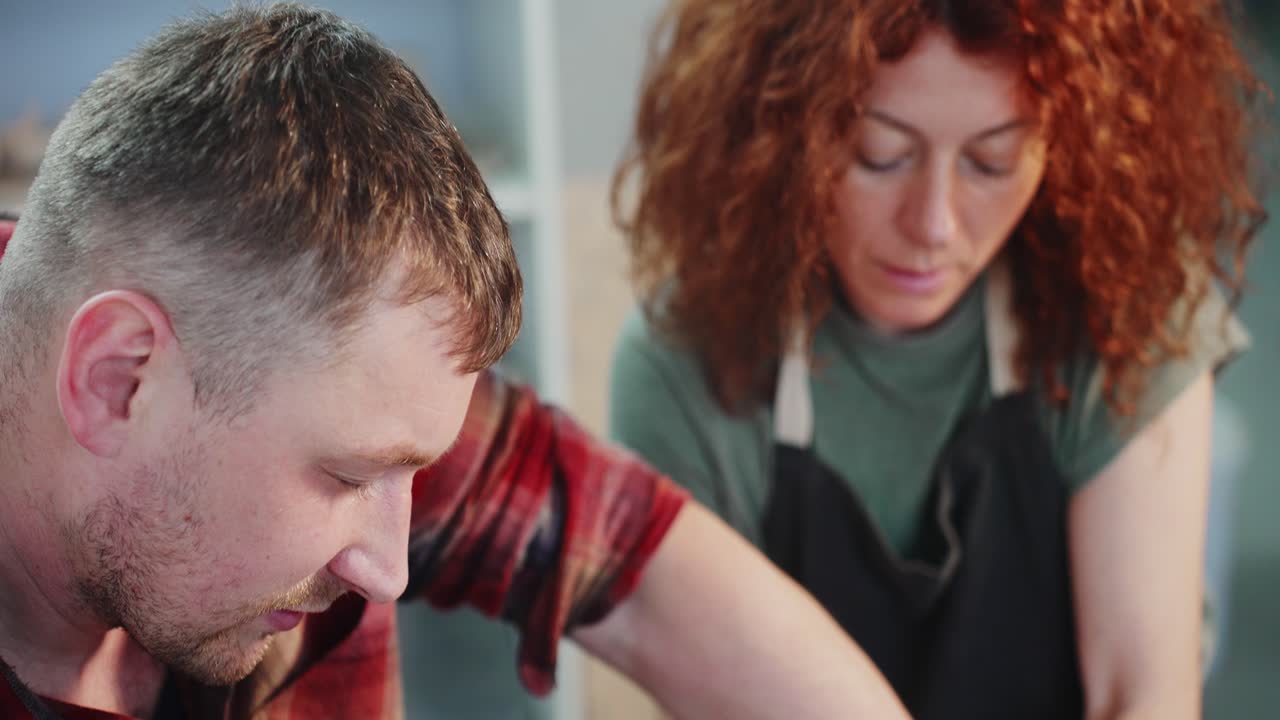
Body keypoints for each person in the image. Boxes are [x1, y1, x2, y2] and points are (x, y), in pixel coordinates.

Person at [0, 6, 910, 720]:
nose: (389, 572)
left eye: (409, 474)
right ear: (117, 380)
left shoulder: (309, 376)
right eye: (349, 477)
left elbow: (631, 558)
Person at [609, 1, 1269, 718]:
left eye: (994, 161)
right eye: (878, 154)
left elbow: (1141, 696)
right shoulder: (687, 362)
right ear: (779, 129)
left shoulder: (1126, 315)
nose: (933, 224)